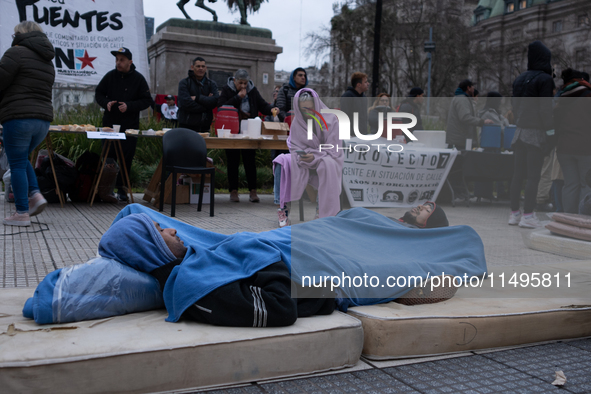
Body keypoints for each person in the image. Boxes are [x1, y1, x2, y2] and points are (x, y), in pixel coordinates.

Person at [96, 203, 487, 327]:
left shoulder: (189, 268)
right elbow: (279, 304)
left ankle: (434, 249)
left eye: (427, 211)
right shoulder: (195, 284)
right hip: (314, 260)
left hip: (301, 243)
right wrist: (266, 259)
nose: (172, 230)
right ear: (154, 250)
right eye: (162, 232)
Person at [0, 21, 54, 226]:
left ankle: (22, 212)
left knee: (15, 163)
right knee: (21, 159)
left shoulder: (16, 53)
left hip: (18, 117)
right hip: (42, 122)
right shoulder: (48, 60)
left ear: (20, 34)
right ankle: (35, 194)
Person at [272, 89, 344, 227]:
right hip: (304, 160)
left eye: (311, 108)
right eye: (304, 109)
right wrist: (302, 156)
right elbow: (294, 146)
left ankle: (322, 211)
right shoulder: (298, 122)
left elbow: (334, 149)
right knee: (281, 160)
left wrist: (315, 156)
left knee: (327, 164)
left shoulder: (331, 119)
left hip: (325, 158)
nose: (309, 112)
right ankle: (282, 208)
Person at [95, 47, 152, 202]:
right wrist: (106, 103)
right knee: (109, 157)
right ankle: (106, 191)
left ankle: (122, 190)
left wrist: (130, 106)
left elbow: (147, 100)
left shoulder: (139, 79)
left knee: (126, 158)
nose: (118, 63)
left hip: (130, 126)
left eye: (121, 60)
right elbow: (98, 93)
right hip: (109, 124)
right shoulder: (110, 76)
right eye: (117, 60)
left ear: (130, 62)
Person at [508, 41, 555, 228]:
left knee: (517, 175)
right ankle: (528, 216)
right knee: (533, 176)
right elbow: (546, 110)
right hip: (535, 133)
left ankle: (514, 214)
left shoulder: (519, 79)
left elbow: (514, 106)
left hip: (519, 132)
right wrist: (551, 133)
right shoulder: (545, 79)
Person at [218, 69, 278, 203]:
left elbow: (262, 105)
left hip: (249, 130)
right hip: (232, 129)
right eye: (240, 83)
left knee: (250, 162)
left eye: (245, 83)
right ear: (235, 81)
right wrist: (237, 97)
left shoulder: (253, 91)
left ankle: (253, 191)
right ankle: (233, 191)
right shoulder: (227, 89)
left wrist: (272, 109)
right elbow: (221, 105)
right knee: (233, 161)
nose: (243, 86)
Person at [553, 68, 591, 214]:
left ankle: (568, 218)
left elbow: (554, 126)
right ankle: (584, 219)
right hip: (585, 148)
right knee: (586, 184)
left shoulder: (561, 101)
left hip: (564, 149)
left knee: (570, 185)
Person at [446, 80, 493, 149]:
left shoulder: (462, 98)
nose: (474, 88)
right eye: (472, 86)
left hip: (459, 141)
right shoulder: (462, 99)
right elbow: (465, 117)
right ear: (468, 88)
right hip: (459, 143)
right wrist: (482, 122)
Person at [177, 56, 219, 133]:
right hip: (187, 125)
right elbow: (186, 103)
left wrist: (197, 98)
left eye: (203, 66)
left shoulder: (211, 84)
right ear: (192, 67)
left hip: (205, 126)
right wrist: (206, 106)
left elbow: (215, 101)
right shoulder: (184, 83)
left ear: (206, 68)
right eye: (198, 66)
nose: (200, 68)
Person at [340, 72, 370, 136]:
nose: (368, 84)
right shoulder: (347, 96)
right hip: (351, 136)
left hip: (363, 135)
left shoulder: (364, 98)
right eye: (365, 82)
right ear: (358, 85)